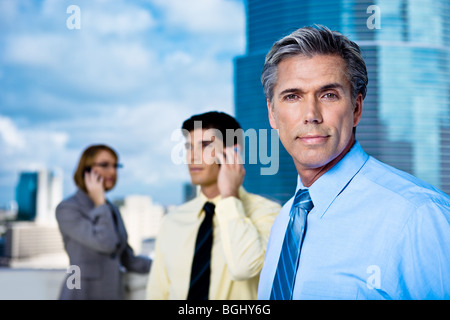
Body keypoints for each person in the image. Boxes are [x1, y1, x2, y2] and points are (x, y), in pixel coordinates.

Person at [257, 25, 450, 300]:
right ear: (272, 114)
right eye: (293, 96)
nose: (311, 115)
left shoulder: (421, 217)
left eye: (328, 95)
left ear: (356, 108)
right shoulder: (285, 220)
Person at [145, 111, 281, 300]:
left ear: (233, 151)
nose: (192, 157)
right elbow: (157, 293)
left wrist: (229, 197)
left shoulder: (269, 214)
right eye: (188, 147)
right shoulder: (172, 221)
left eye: (205, 146)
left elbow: (244, 268)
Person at [56, 144, 151, 300]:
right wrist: (100, 204)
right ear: (86, 170)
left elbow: (127, 259)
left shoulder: (111, 209)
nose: (113, 171)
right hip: (80, 293)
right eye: (105, 165)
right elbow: (105, 243)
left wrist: (167, 265)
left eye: (115, 166)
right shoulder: (68, 208)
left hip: (113, 293)